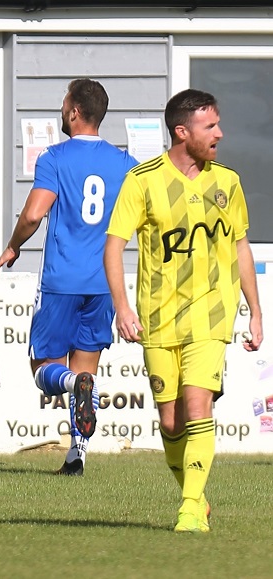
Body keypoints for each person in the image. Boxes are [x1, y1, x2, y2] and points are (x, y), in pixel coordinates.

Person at [105, 88, 263, 533]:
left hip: (212, 314)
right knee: (171, 420)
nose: (220, 133)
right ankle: (194, 495)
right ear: (182, 132)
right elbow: (114, 246)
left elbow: (240, 246)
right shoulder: (143, 180)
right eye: (210, 126)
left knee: (198, 406)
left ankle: (191, 508)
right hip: (157, 317)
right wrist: (122, 306)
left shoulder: (227, 182)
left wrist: (256, 311)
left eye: (218, 124)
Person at [0, 79, 138, 476]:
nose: (61, 110)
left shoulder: (54, 158)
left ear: (74, 111)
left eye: (63, 104)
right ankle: (76, 456)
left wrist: (13, 245)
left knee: (45, 371)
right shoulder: (126, 164)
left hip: (62, 280)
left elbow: (34, 213)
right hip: (104, 284)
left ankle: (76, 390)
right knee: (85, 366)